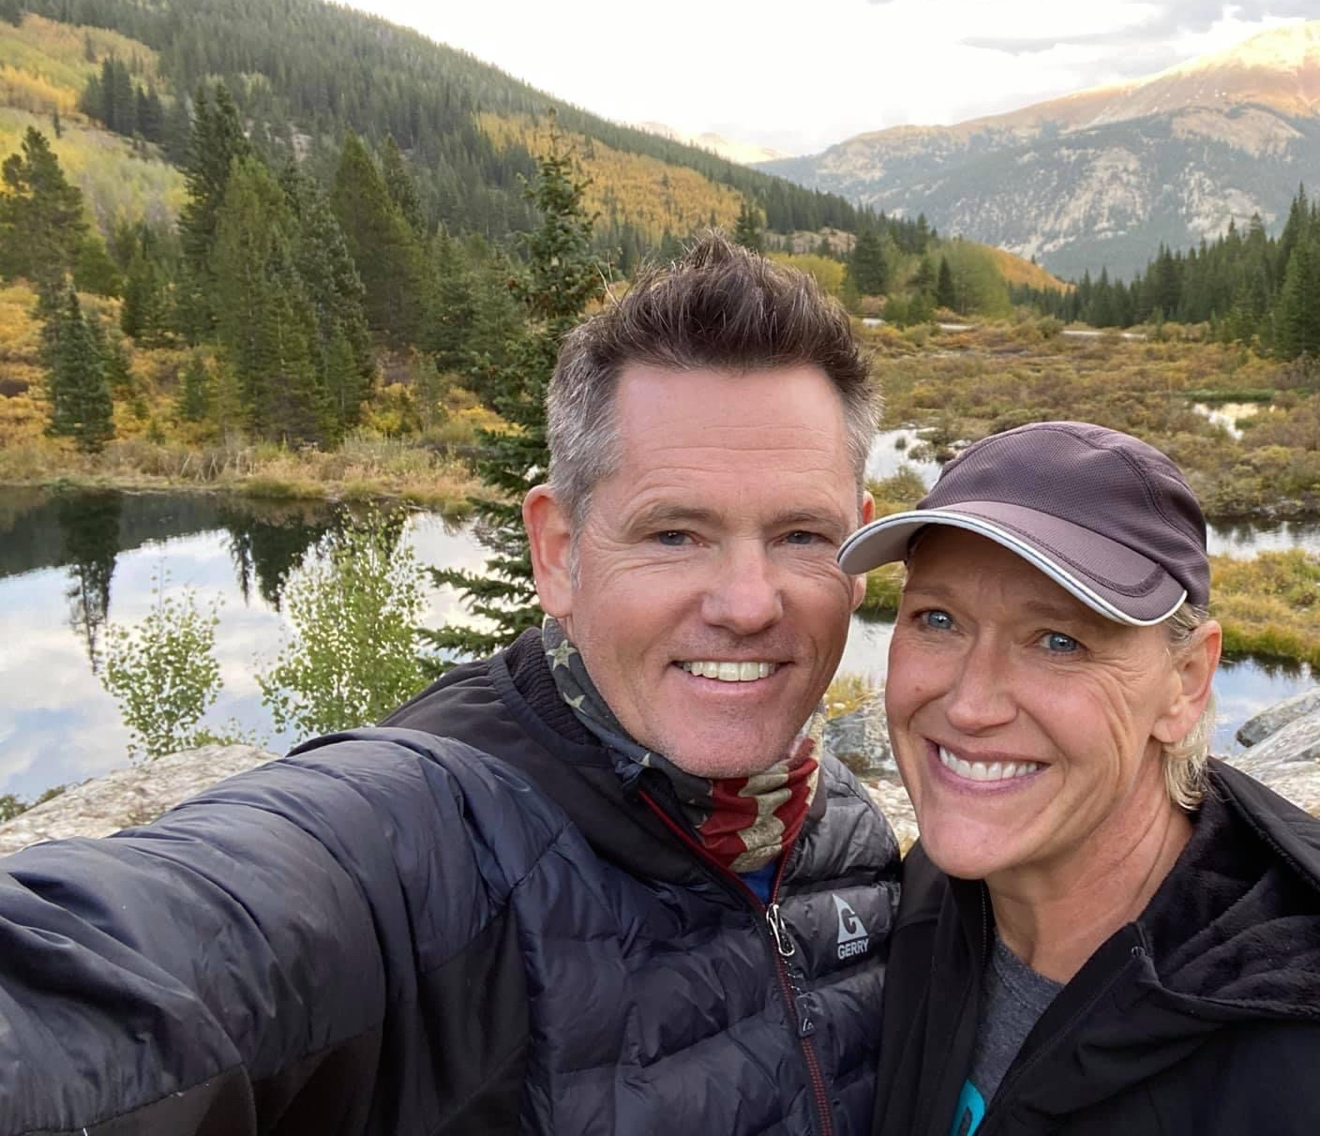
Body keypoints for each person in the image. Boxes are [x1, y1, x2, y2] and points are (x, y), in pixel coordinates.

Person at [0, 234, 901, 1135]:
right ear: (558, 551)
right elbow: (149, 957)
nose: (747, 605)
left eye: (802, 537)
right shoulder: (426, 838)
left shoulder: (852, 842)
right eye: (674, 535)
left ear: (860, 550)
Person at [839, 420, 1320, 1136]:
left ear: (1187, 681)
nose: (970, 704)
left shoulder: (1316, 1088)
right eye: (938, 619)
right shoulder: (934, 892)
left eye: (1059, 641)